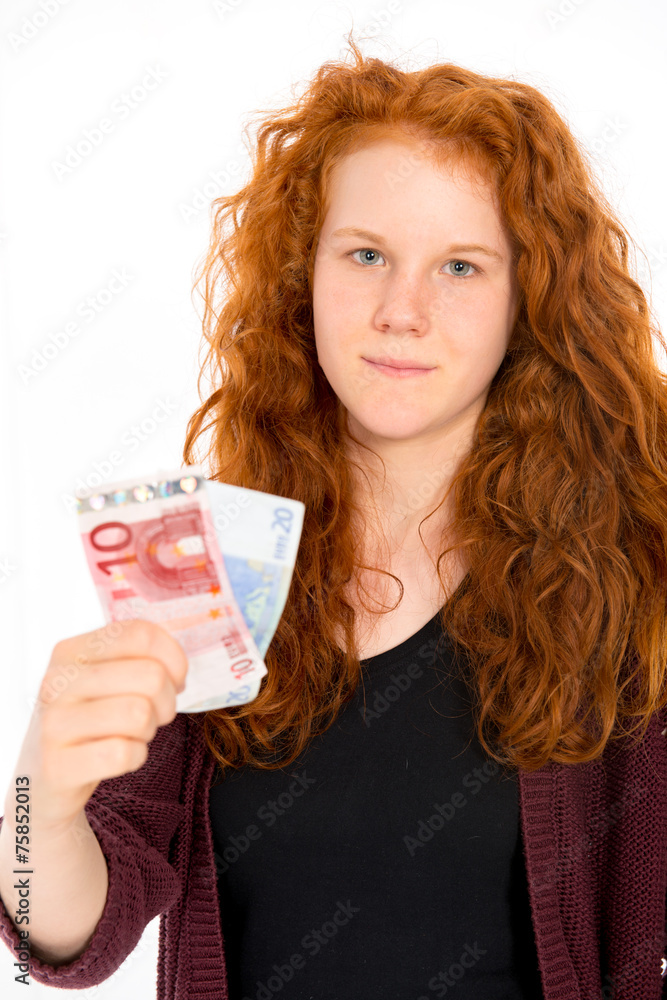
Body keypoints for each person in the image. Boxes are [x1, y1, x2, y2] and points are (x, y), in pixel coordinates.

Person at [1, 33, 667, 1000]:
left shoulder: (627, 581)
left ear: (528, 300)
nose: (401, 310)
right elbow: (71, 943)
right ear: (301, 276)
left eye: (461, 267)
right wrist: (35, 807)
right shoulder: (207, 568)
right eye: (366, 254)